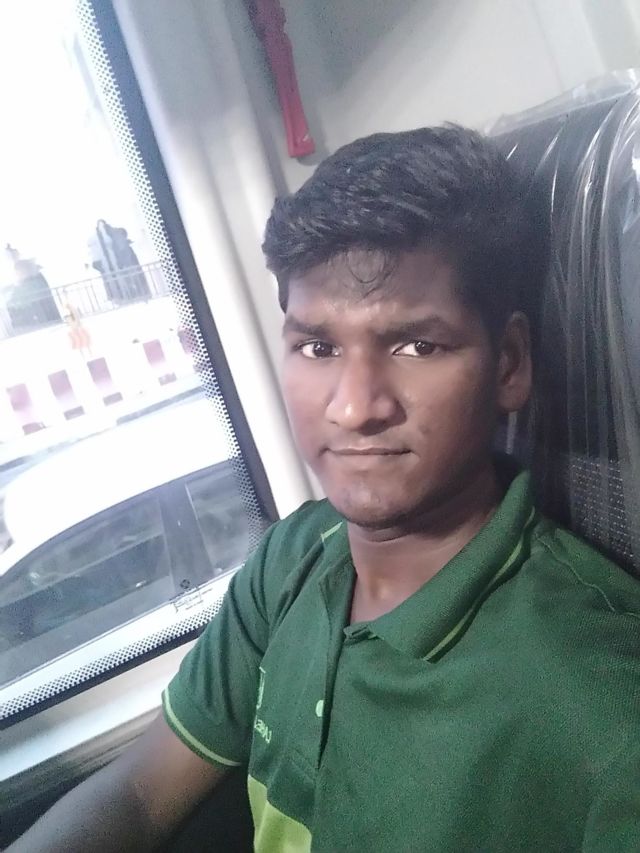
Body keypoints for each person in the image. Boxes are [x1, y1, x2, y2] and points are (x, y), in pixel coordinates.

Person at [10, 127, 640, 852]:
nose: (353, 407)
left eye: (417, 345)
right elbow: (138, 795)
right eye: (318, 346)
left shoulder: (601, 703)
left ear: (509, 366)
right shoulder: (294, 557)